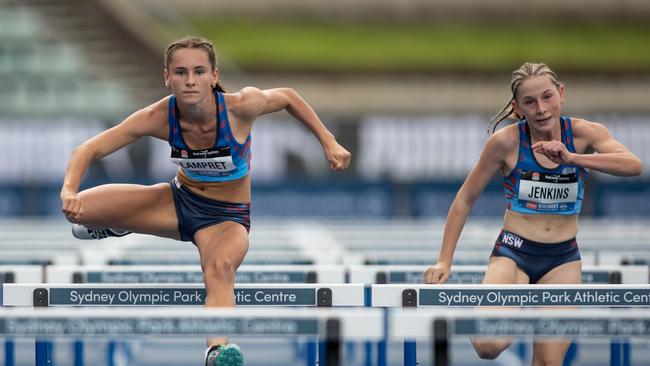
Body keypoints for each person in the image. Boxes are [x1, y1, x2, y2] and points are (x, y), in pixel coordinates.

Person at [60, 36, 351, 366]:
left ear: (214, 76)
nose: (189, 80)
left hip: (226, 219)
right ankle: (118, 224)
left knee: (220, 269)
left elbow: (288, 96)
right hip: (177, 201)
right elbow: (86, 150)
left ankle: (215, 351)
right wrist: (69, 190)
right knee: (79, 214)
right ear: (167, 78)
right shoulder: (158, 115)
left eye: (199, 72)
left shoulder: (242, 106)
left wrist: (329, 142)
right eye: (181, 72)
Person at [424, 62, 642, 364]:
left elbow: (633, 165)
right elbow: (464, 199)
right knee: (489, 344)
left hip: (563, 259)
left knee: (548, 362)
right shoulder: (505, 143)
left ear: (561, 94)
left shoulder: (584, 134)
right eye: (530, 101)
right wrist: (444, 259)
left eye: (547, 97)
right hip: (514, 253)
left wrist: (574, 158)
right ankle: (491, 306)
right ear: (517, 108)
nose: (541, 108)